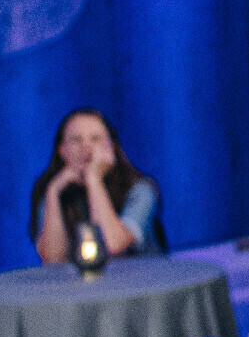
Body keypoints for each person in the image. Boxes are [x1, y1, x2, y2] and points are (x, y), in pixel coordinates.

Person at [31, 108, 164, 263]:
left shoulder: (140, 190)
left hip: (142, 277)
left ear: (111, 146)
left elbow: (113, 246)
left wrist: (94, 179)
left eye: (95, 139)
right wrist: (53, 192)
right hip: (81, 279)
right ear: (62, 150)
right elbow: (52, 258)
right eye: (76, 140)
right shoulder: (52, 192)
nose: (85, 147)